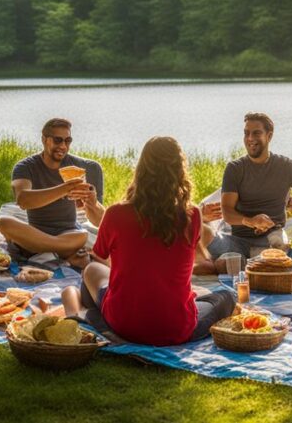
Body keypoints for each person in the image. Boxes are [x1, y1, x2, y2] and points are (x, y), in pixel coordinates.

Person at [61, 136, 236, 345]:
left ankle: (87, 312)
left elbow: (100, 258)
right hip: (175, 329)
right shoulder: (192, 216)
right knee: (226, 297)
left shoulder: (115, 213)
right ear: (180, 172)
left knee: (90, 271)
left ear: (141, 169)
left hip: (123, 324)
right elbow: (193, 263)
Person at [208, 112, 292, 271]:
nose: (250, 138)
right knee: (209, 239)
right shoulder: (235, 169)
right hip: (239, 243)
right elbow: (227, 212)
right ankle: (261, 264)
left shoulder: (286, 166)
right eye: (246, 133)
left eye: (256, 133)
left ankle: (274, 264)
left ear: (269, 136)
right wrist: (251, 221)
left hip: (273, 241)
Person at [0, 118, 105, 268]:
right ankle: (64, 252)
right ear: (44, 140)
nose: (62, 146)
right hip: (36, 231)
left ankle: (38, 249)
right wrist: (64, 188)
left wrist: (92, 203)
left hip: (69, 233)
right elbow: (23, 200)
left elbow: (99, 222)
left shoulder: (80, 167)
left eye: (67, 141)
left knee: (83, 235)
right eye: (57, 140)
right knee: (4, 223)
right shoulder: (25, 166)